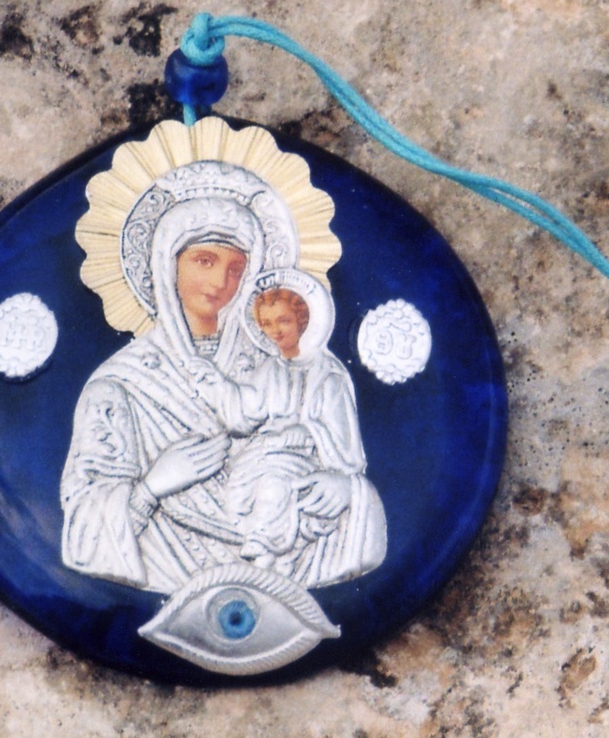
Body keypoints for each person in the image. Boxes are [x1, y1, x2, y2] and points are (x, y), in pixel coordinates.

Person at [60, 194, 386, 594]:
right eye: (204, 261)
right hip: (165, 571)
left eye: (236, 269)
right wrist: (153, 486)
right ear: (167, 265)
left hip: (288, 555)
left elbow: (345, 461)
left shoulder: (289, 359)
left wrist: (345, 489)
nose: (220, 283)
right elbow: (82, 527)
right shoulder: (120, 385)